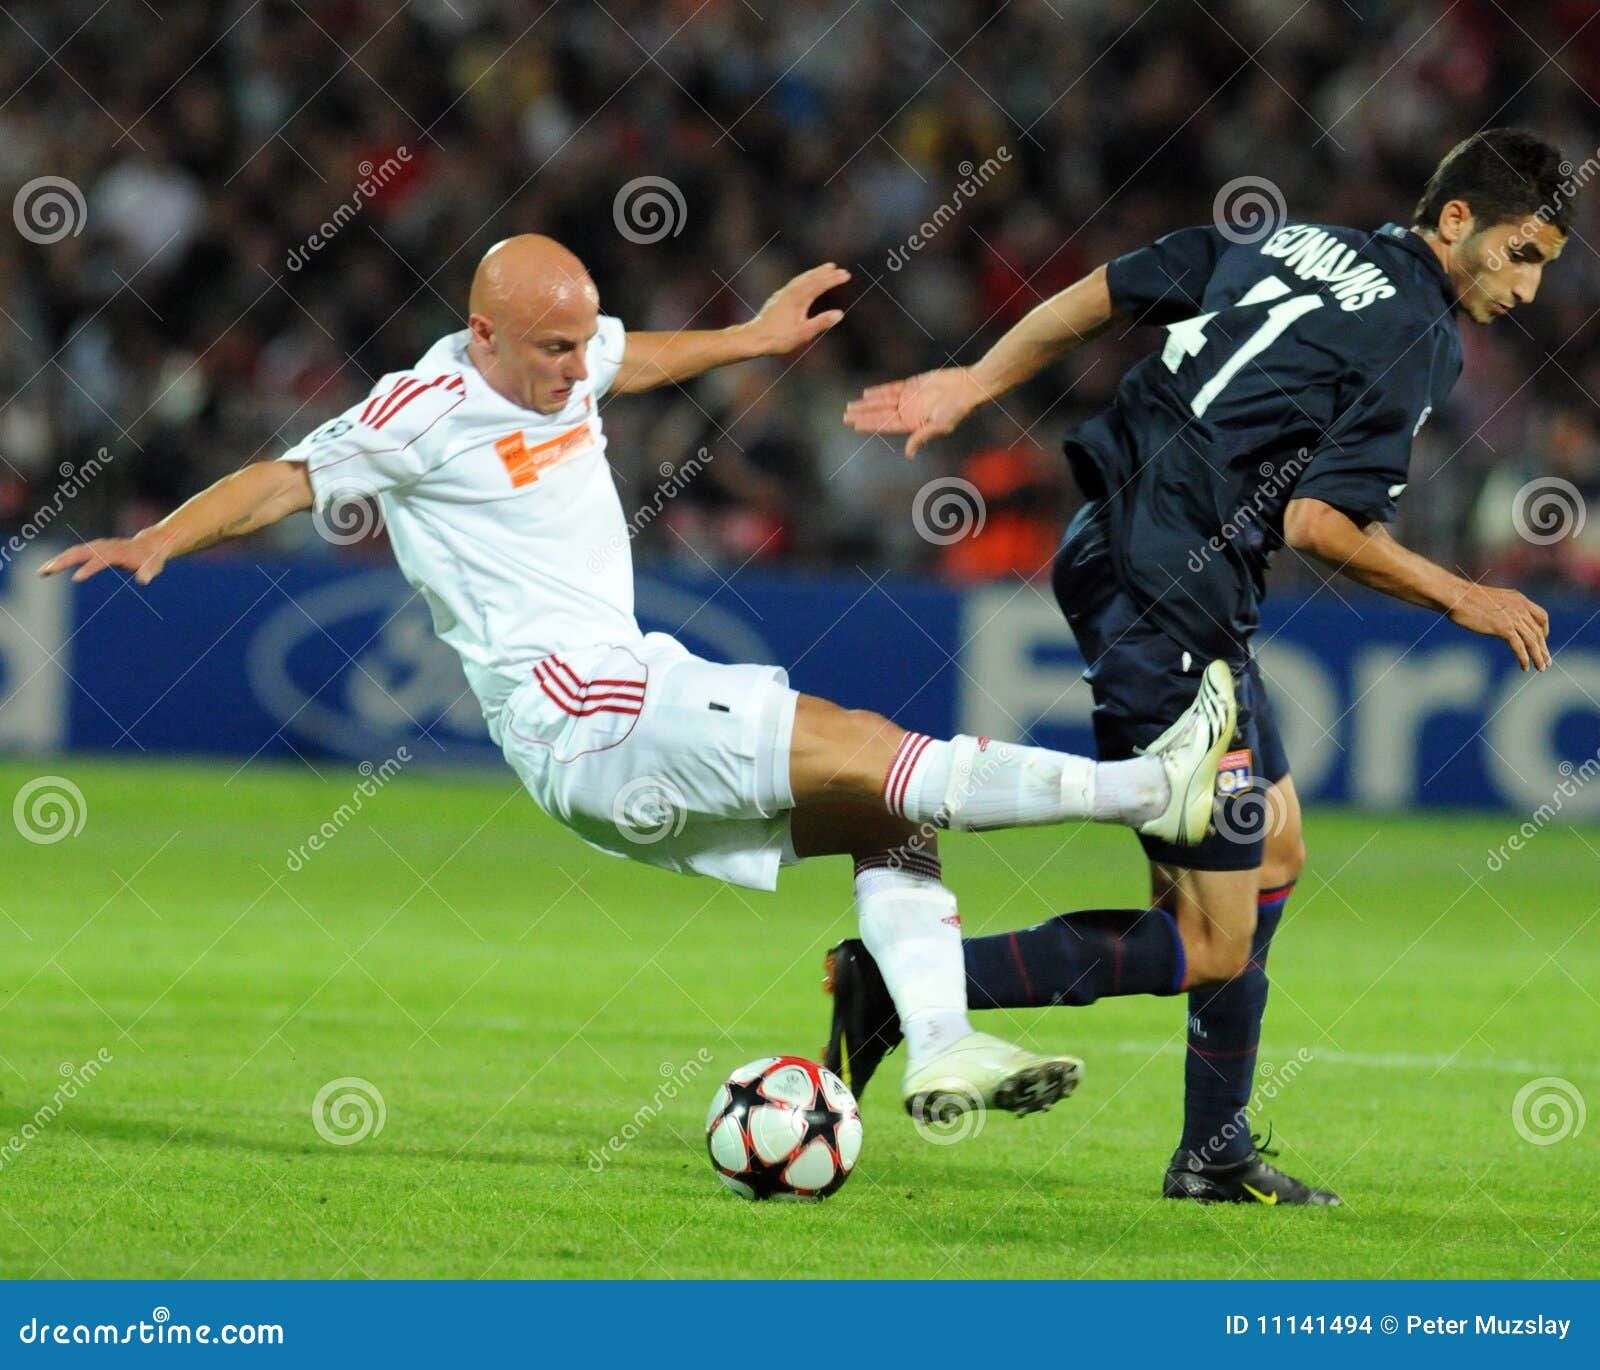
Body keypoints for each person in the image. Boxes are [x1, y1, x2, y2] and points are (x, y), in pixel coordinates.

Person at [39, 234, 1238, 1127]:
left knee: (890, 814)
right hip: (582, 708)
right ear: (484, 334)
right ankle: (1146, 790)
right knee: (869, 746)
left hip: (607, 730)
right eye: (553, 350)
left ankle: (938, 1045)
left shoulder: (570, 357)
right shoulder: (420, 409)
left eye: (583, 342)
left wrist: (752, 339)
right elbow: (283, 479)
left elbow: (630, 355)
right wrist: (159, 537)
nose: (579, 368)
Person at [830, 128, 1565, 1200]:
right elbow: (1318, 522)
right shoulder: (1418, 333)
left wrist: (977, 380)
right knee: (1212, 941)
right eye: (1522, 253)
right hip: (1168, 598)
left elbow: (1107, 292)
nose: (1529, 287)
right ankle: (902, 979)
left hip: (1126, 552)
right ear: (1456, 221)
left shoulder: (1288, 240)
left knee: (1275, 848)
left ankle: (1214, 1149)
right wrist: (1463, 594)